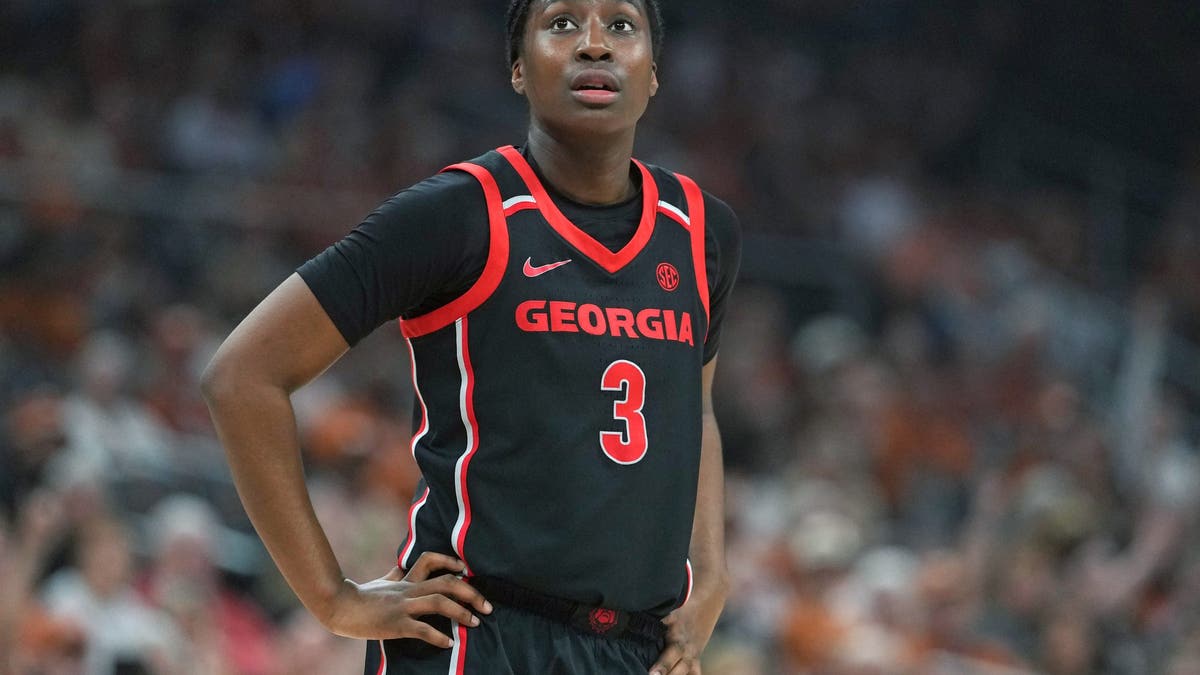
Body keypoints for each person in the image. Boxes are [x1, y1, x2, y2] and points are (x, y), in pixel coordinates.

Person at [201, 0, 741, 672]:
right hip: (476, 633)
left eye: (622, 25)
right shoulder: (456, 213)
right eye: (562, 23)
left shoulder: (702, 231)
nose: (594, 45)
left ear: (654, 72)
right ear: (518, 69)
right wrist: (332, 598)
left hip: (635, 648)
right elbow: (242, 376)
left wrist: (711, 573)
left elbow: (695, 407)